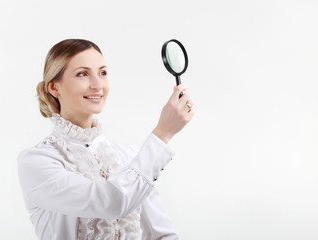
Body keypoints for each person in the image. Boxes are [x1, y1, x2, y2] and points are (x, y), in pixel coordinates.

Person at [17, 39, 195, 240]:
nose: (97, 85)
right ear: (54, 87)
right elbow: (112, 202)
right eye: (82, 74)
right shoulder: (37, 161)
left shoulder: (130, 157)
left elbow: (162, 234)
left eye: (102, 73)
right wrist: (163, 134)